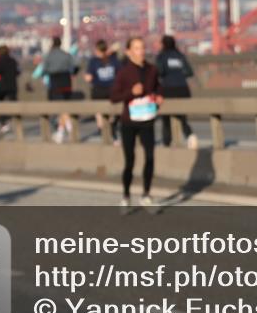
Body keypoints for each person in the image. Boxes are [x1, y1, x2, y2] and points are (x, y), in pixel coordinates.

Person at [110, 36, 162, 212]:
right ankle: (126, 195)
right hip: (129, 122)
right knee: (130, 160)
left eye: (142, 47)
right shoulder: (124, 72)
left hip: (147, 119)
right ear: (129, 51)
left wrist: (159, 96)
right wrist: (130, 92)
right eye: (137, 48)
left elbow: (158, 87)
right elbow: (114, 97)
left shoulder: (152, 69)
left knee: (150, 157)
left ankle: (146, 194)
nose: (141, 51)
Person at [156, 34, 198, 150]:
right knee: (182, 117)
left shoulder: (162, 56)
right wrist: (178, 74)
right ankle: (190, 136)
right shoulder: (180, 56)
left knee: (166, 118)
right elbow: (189, 72)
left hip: (168, 89)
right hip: (183, 89)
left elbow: (159, 71)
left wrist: (169, 76)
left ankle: (167, 143)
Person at [41, 36, 77, 144]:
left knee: (60, 107)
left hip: (55, 82)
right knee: (65, 106)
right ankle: (65, 129)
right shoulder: (67, 55)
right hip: (66, 81)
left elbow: (44, 70)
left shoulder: (49, 55)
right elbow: (73, 68)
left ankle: (67, 129)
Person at [85, 40, 120, 145]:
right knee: (111, 116)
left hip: (98, 92)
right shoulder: (113, 60)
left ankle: (103, 133)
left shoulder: (94, 61)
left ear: (96, 49)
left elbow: (88, 78)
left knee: (100, 115)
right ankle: (113, 136)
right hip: (112, 91)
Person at [0, 45, 20, 135]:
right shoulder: (13, 60)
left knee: (1, 104)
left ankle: (4, 122)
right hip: (12, 85)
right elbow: (17, 72)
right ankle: (14, 121)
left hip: (1, 86)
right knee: (13, 103)